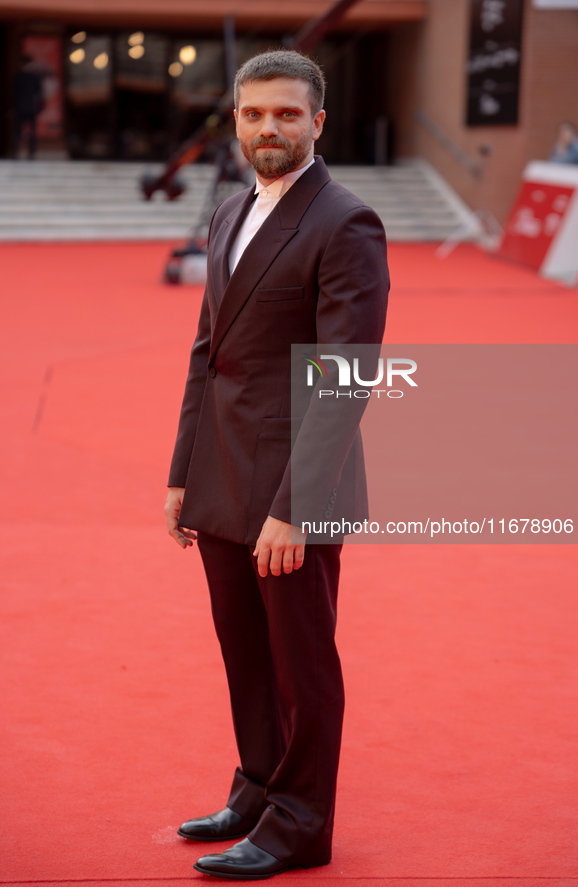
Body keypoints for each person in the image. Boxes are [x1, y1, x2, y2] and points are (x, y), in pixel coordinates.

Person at [164, 50, 389, 880]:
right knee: (244, 651)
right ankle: (257, 787)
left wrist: (297, 505)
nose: (270, 128)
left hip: (297, 483)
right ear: (235, 121)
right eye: (255, 114)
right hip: (223, 472)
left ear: (317, 123)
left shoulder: (345, 221)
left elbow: (347, 375)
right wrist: (182, 472)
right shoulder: (228, 211)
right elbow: (206, 352)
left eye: (287, 114)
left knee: (301, 661)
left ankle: (301, 823)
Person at [12, 56, 44, 160]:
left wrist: (12, 107)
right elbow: (39, 94)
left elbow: (13, 94)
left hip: (20, 107)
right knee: (31, 131)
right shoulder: (34, 77)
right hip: (31, 107)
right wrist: (39, 107)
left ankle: (16, 152)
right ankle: (31, 153)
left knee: (18, 131)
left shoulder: (18, 76)